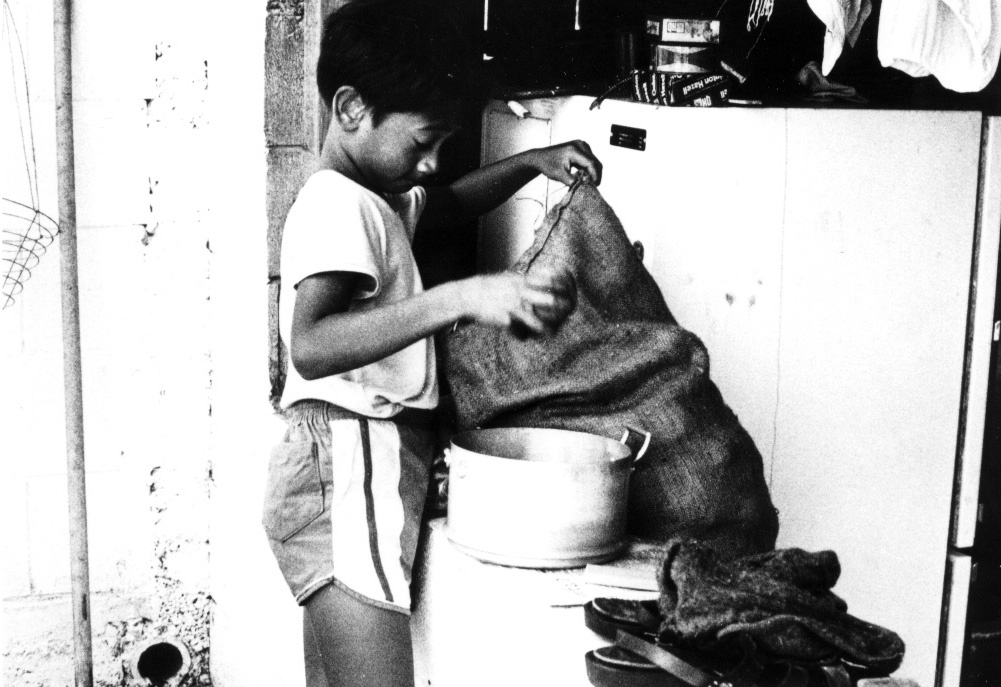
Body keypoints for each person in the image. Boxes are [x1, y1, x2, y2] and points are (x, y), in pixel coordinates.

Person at [260, 1, 603, 685]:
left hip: (338, 465)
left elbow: (450, 201)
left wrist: (533, 161)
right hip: (350, 457)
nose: (430, 162)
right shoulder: (338, 204)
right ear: (351, 108)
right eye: (421, 141)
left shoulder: (373, 197)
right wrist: (458, 298)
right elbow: (313, 344)